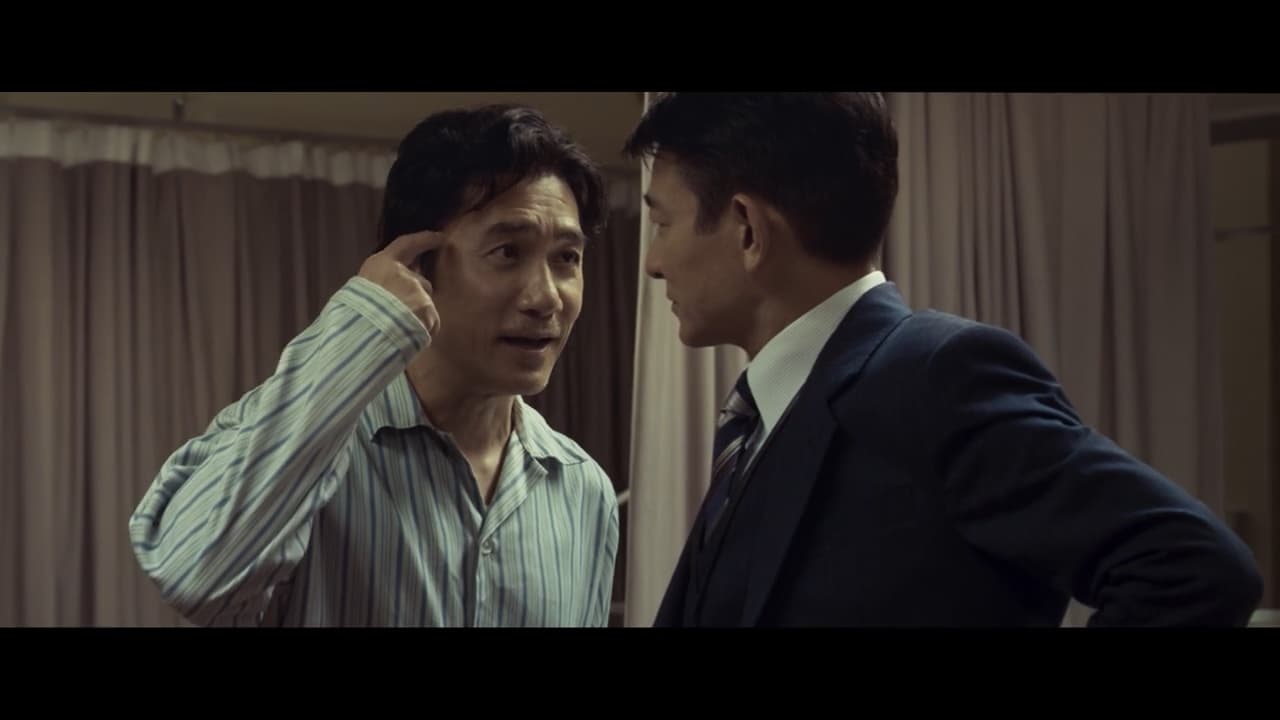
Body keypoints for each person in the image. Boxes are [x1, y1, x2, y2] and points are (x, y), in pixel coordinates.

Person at [625, 92, 1262, 627]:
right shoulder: (761, 417)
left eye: (662, 224)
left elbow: (1193, 568)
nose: (653, 263)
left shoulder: (935, 376)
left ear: (747, 228)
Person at [130, 104, 619, 627]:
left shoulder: (584, 491)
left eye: (566, 258)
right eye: (507, 252)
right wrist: (364, 321)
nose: (546, 298)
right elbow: (194, 577)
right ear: (416, 263)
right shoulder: (307, 446)